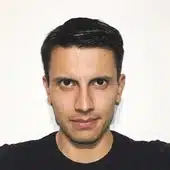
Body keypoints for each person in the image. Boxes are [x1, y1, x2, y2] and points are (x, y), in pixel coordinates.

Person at [0, 17, 169, 170]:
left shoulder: (160, 161)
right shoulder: (8, 162)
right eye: (67, 83)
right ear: (47, 88)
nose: (84, 105)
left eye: (99, 82)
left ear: (119, 87)